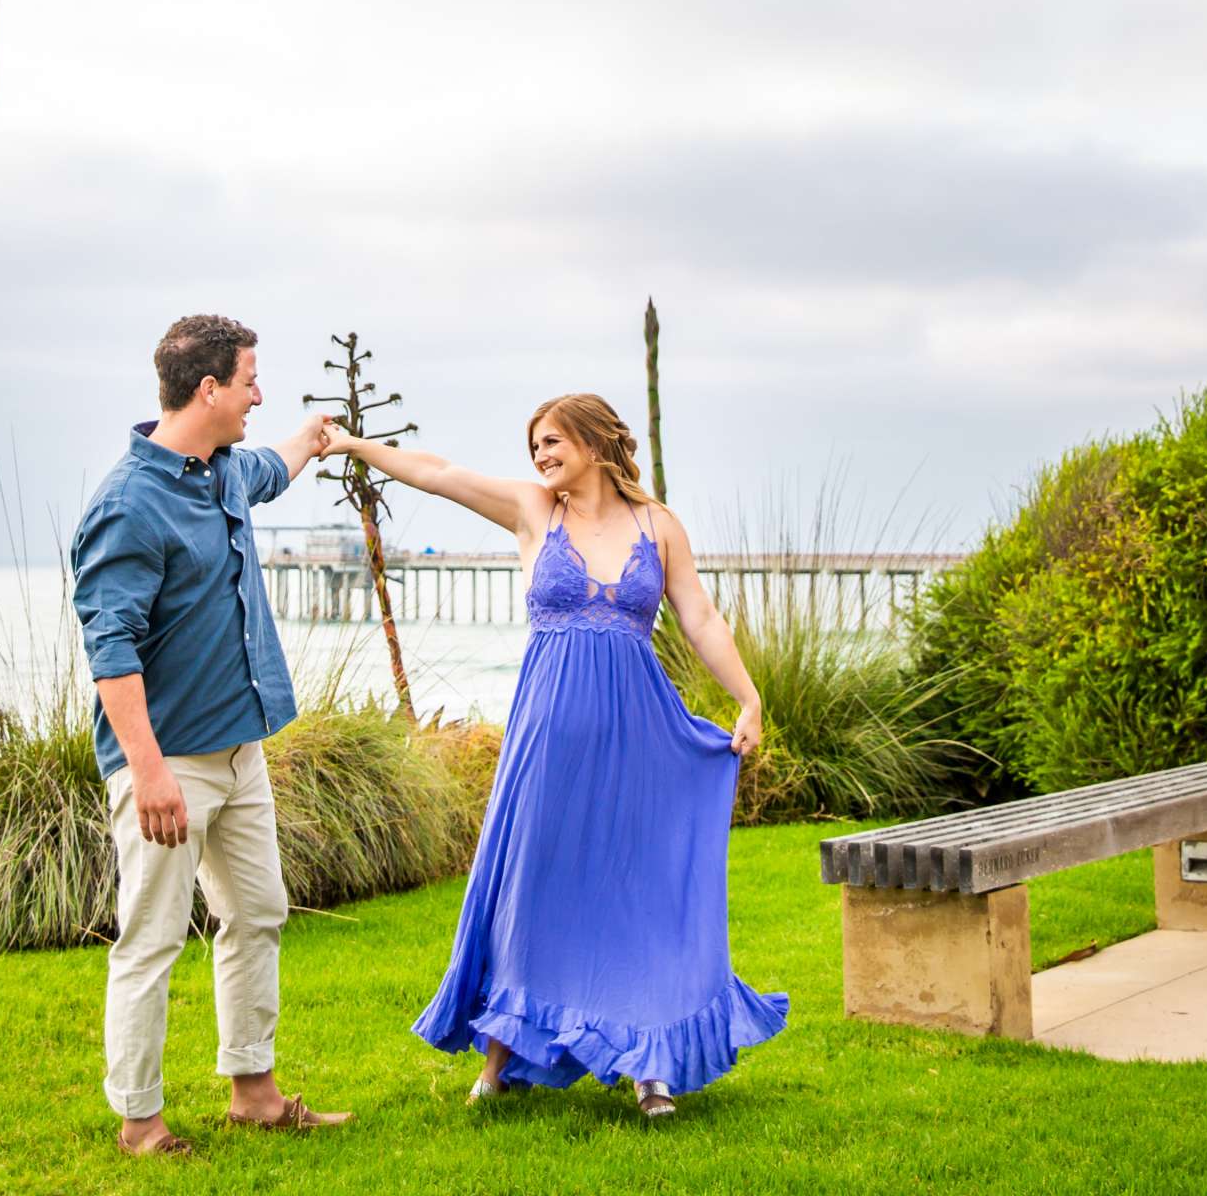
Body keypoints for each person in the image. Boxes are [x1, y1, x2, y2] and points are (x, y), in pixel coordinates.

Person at [320, 392, 788, 1117]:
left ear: (595, 442)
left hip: (637, 732)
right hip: (548, 736)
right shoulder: (535, 510)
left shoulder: (657, 526)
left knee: (636, 889)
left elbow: (698, 613)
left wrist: (748, 696)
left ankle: (648, 1063)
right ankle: (501, 1056)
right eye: (534, 445)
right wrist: (356, 447)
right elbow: (437, 472)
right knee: (531, 886)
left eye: (552, 442)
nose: (540, 456)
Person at [72, 314, 351, 1157]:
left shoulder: (224, 472)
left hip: (241, 751)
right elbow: (110, 650)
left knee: (258, 914)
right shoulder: (129, 505)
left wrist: (312, 437)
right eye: (250, 381)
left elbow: (275, 469)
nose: (259, 395)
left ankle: (253, 1091)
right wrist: (148, 771)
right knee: (151, 940)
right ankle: (140, 1121)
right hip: (170, 766)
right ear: (209, 389)